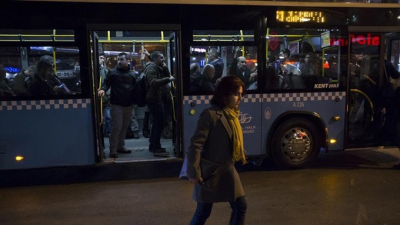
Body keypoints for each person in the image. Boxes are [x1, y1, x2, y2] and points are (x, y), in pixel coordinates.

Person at [186, 75, 247, 225]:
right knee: (203, 212)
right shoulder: (210, 115)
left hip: (228, 170)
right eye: (236, 94)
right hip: (210, 173)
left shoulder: (232, 114)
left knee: (241, 206)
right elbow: (196, 144)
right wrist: (193, 172)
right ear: (225, 94)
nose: (240, 98)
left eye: (241, 94)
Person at [98, 52, 136, 158]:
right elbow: (106, 83)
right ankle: (113, 149)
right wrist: (103, 90)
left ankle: (120, 146)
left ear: (128, 61)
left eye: (122, 59)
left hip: (129, 104)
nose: (119, 61)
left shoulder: (133, 74)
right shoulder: (112, 72)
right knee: (117, 127)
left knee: (124, 127)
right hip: (116, 104)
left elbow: (136, 88)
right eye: (118, 59)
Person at [144, 51, 175, 157]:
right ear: (155, 59)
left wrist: (166, 69)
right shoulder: (151, 68)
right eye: (161, 58)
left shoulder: (158, 67)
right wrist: (168, 79)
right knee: (159, 123)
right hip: (154, 99)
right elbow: (153, 82)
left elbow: (168, 74)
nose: (163, 60)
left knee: (157, 123)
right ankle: (156, 148)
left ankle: (153, 145)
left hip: (158, 98)